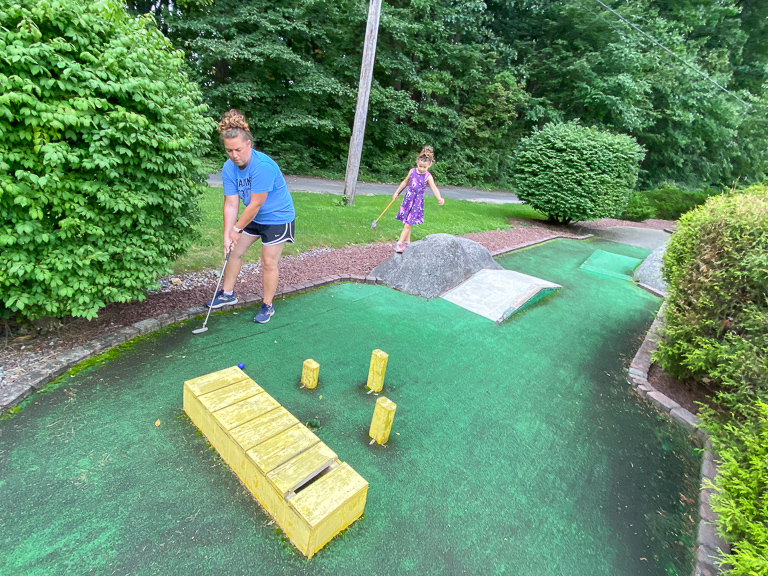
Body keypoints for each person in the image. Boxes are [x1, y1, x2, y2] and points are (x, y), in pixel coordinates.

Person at [205, 109, 295, 324]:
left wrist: (237, 229)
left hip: (277, 217)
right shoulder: (229, 168)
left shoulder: (262, 166)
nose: (234, 155)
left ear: (248, 144)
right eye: (229, 150)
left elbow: (255, 204)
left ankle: (267, 305)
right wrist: (228, 235)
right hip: (253, 216)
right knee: (233, 251)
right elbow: (231, 203)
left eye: (238, 149)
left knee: (268, 261)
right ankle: (227, 294)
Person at [392, 146, 444, 253]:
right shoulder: (412, 171)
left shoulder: (428, 176)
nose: (422, 169)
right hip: (408, 199)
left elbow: (434, 187)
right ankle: (408, 243)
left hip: (417, 202)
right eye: (420, 166)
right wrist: (397, 192)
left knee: (408, 224)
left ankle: (399, 244)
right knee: (407, 223)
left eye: (424, 167)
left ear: (429, 165)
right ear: (417, 162)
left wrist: (439, 197)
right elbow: (405, 182)